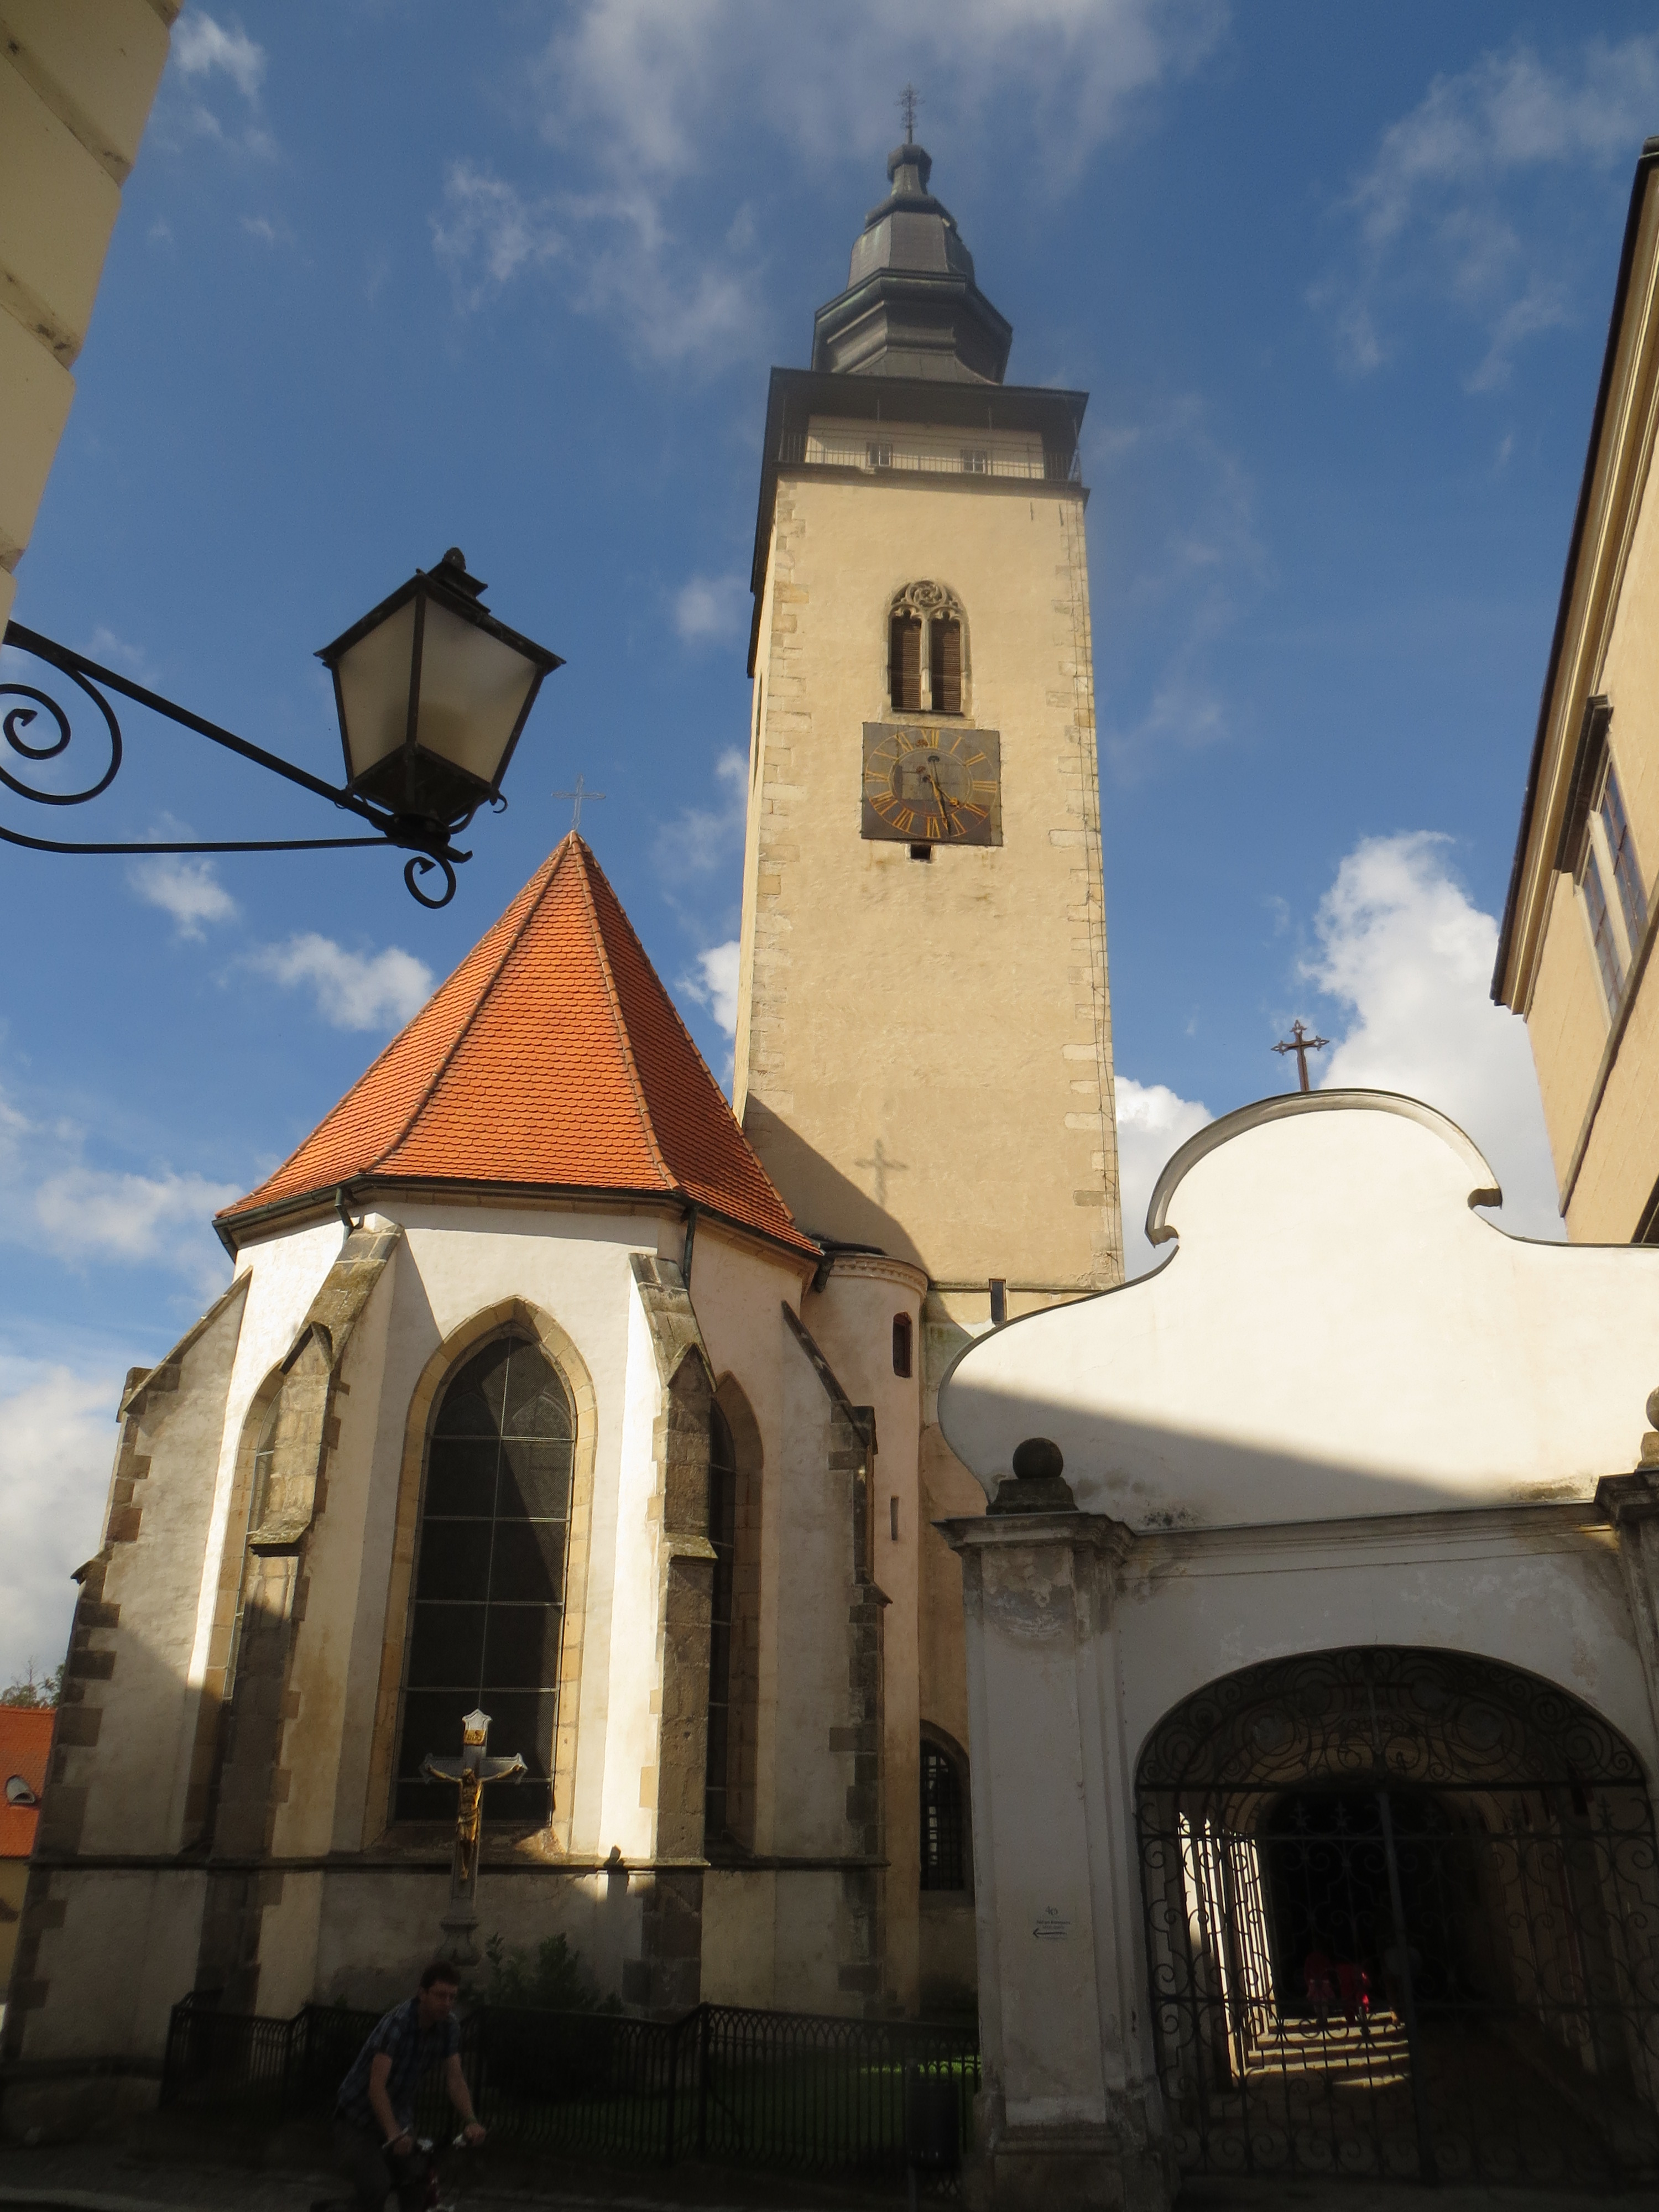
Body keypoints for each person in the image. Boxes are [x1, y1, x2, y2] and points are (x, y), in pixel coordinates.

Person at [326, 1960, 486, 2212]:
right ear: (422, 1993)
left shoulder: (449, 2028)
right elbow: (377, 2087)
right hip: (357, 2120)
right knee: (376, 2186)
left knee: (418, 2181)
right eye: (440, 1995)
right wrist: (393, 2134)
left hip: (399, 2117)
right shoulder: (397, 2025)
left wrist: (471, 2120)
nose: (447, 2003)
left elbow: (455, 2079)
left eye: (452, 1997)